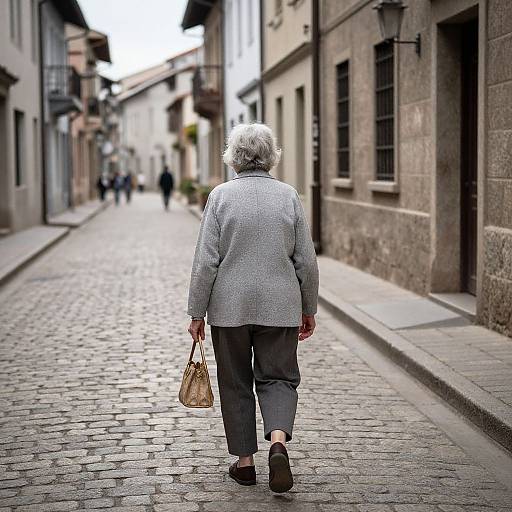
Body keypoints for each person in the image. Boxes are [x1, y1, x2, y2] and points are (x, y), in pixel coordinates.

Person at [187, 123, 319, 494]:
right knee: (278, 377)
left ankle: (245, 464)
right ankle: (277, 441)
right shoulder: (288, 196)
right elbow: (306, 261)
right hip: (280, 307)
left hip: (229, 309)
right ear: (270, 155)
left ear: (234, 156)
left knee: (235, 382)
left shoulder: (220, 197)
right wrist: (308, 306)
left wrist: (196, 312)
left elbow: (205, 261)